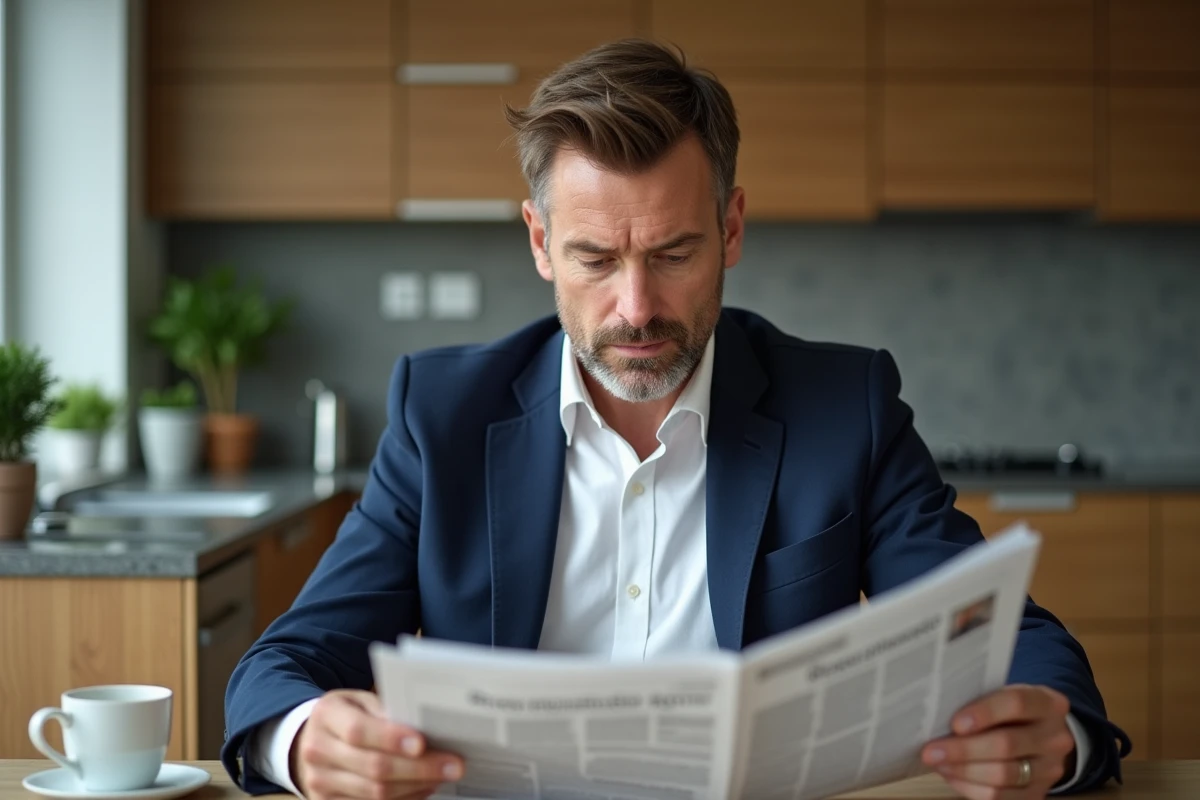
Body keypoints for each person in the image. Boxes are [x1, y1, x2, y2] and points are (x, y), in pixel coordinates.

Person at [222, 39, 1129, 800]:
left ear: (731, 229)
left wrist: (1059, 740)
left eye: (675, 252)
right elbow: (288, 660)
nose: (636, 307)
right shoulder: (442, 415)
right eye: (593, 257)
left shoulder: (841, 409)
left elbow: (1011, 636)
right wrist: (303, 740)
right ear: (540, 242)